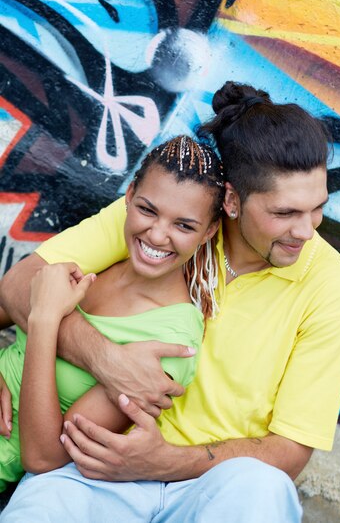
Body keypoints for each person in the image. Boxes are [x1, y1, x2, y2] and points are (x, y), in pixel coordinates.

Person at [0, 82, 340, 523]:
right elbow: (22, 283)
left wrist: (166, 461)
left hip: (211, 484)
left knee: (263, 488)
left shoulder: (334, 290)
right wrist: (104, 359)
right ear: (231, 201)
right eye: (285, 213)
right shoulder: (171, 217)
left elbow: (288, 452)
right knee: (41, 511)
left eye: (317, 209)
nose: (307, 232)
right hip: (97, 469)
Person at [0, 135, 224, 492]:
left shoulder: (172, 341)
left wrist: (45, 322)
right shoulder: (102, 262)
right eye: (147, 210)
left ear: (209, 231)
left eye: (183, 225)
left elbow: (43, 458)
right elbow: (7, 299)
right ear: (130, 195)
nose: (157, 234)